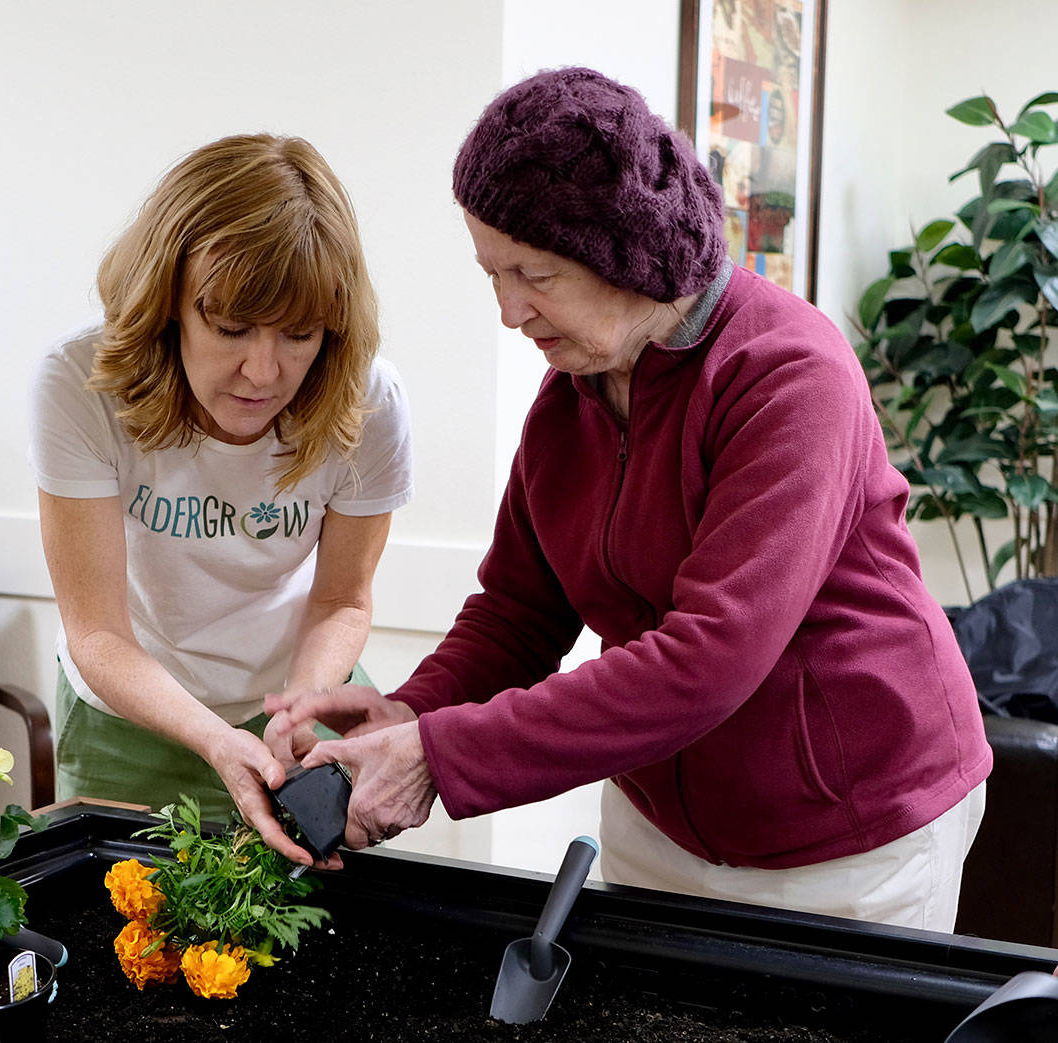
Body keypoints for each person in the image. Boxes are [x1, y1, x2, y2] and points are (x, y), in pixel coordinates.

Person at [266, 67, 991, 927]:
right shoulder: (571, 395)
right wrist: (410, 711)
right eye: (490, 273)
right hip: (661, 825)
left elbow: (709, 656)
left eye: (532, 273)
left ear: (626, 251)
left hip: (851, 833)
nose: (508, 310)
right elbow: (516, 616)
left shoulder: (791, 377)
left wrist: (441, 754)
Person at [28, 133, 413, 866]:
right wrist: (211, 736)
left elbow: (341, 601)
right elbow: (99, 632)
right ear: (169, 298)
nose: (262, 371)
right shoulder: (80, 382)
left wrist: (299, 712)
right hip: (126, 721)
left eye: (298, 335)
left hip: (297, 705)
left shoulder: (368, 399)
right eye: (230, 328)